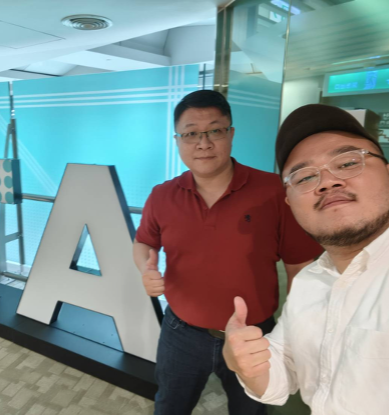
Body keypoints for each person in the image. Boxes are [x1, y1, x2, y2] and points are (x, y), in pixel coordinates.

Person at [133, 90, 323, 415]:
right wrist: (146, 269)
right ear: (178, 140)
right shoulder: (162, 195)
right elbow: (143, 243)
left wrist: (295, 328)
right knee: (169, 406)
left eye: (215, 131)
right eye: (191, 133)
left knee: (251, 410)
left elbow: (299, 266)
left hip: (254, 333)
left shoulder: (273, 191)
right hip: (180, 332)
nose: (203, 143)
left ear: (231, 134)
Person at [223, 104, 389, 415]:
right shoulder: (310, 280)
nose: (327, 182)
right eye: (305, 177)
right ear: (289, 202)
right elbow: (286, 364)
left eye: (348, 163)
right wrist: (248, 365)